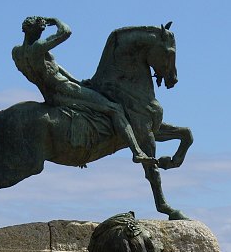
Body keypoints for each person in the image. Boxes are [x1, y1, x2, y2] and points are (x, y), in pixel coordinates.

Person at [12, 16, 156, 164]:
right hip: (64, 90)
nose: (41, 34)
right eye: (40, 30)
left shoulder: (17, 53)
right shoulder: (38, 47)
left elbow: (53, 68)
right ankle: (137, 152)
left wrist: (78, 82)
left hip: (49, 94)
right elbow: (66, 32)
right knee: (115, 109)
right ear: (36, 31)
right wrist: (55, 21)